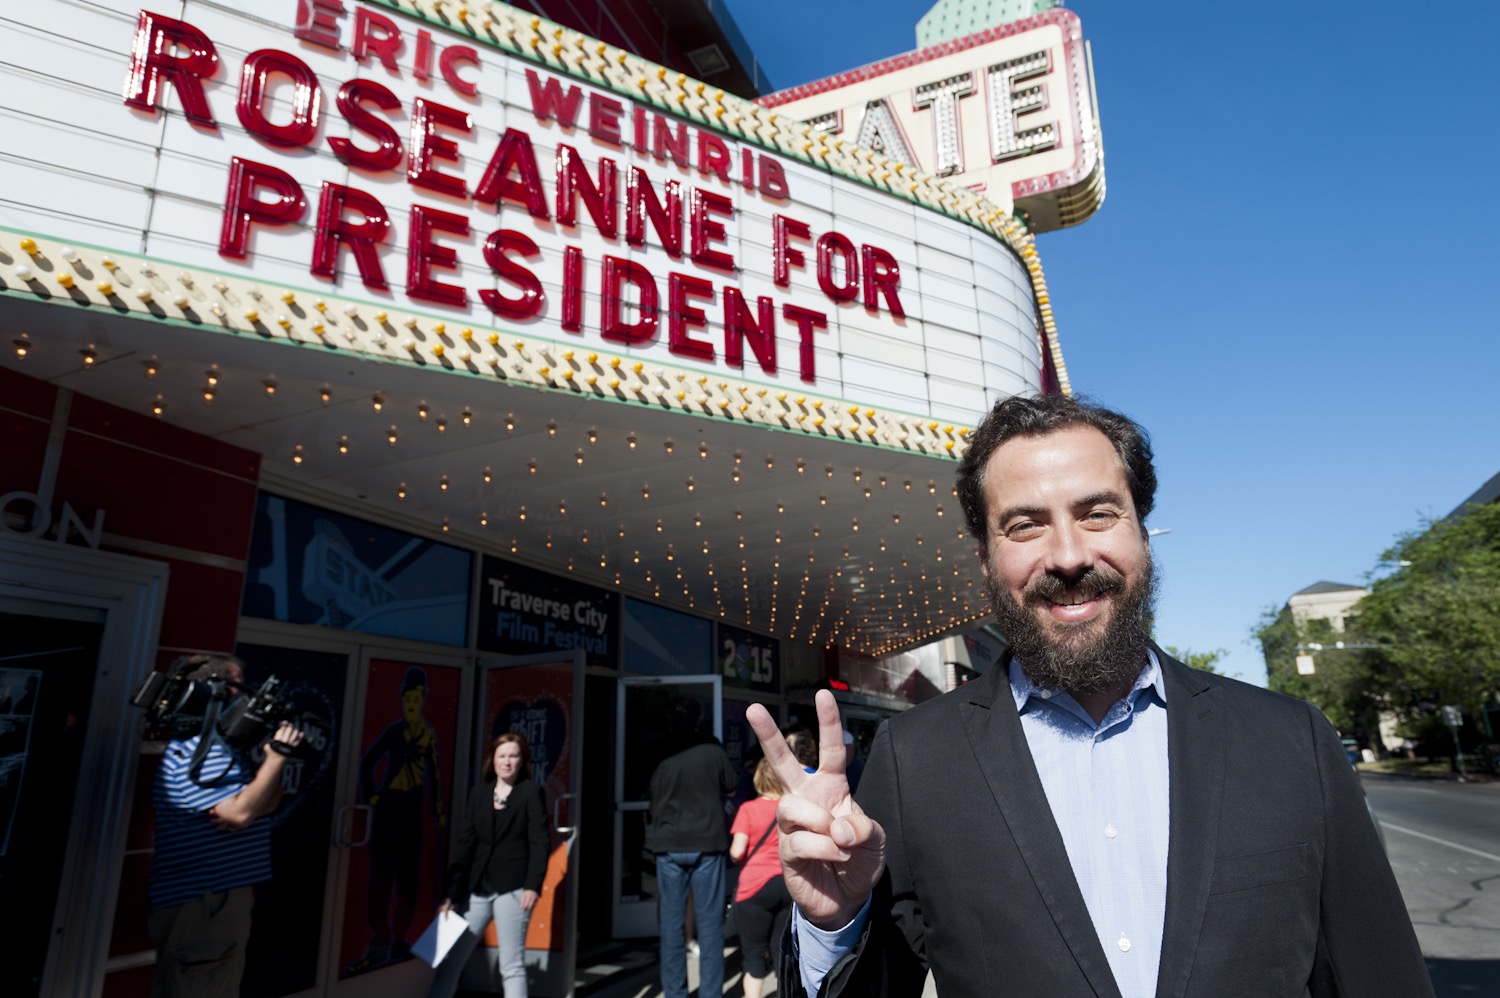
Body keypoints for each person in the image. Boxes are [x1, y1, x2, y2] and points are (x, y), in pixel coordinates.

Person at [746, 392, 1434, 998]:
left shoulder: (1291, 741)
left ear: (1142, 530)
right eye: (1026, 525)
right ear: (986, 559)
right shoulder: (913, 757)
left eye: (1098, 513)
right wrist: (835, 924)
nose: (1069, 555)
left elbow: (1378, 975)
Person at [146, 655, 305, 998]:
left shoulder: (219, 750)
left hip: (208, 900)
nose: (246, 700)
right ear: (212, 693)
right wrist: (277, 757)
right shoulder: (201, 753)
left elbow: (265, 804)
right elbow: (239, 815)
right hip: (205, 902)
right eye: (237, 689)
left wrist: (265, 764)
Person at [431, 731, 550, 998]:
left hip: (514, 887)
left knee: (511, 964)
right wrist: (451, 893)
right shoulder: (479, 794)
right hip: (477, 888)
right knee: (450, 961)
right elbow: (466, 844)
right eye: (502, 756)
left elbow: (540, 842)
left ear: (522, 761)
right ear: (493, 760)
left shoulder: (530, 792)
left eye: (513, 756)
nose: (507, 762)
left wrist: (533, 885)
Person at [346, 666, 447, 975]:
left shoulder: (428, 734)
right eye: (407, 698)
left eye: (416, 698)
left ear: (423, 699)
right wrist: (372, 796)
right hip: (388, 806)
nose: (411, 704)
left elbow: (434, 775)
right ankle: (378, 943)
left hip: (412, 810)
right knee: (380, 877)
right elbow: (368, 762)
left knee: (408, 878)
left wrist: (438, 811)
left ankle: (402, 940)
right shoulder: (394, 731)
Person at [647, 697, 738, 998]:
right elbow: (731, 785)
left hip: (669, 844)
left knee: (671, 927)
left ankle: (675, 993)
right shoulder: (712, 748)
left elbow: (647, 789)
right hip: (707, 843)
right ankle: (710, 994)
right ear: (700, 720)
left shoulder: (660, 748)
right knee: (710, 926)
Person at [729, 757, 792, 998]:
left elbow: (736, 851)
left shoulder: (748, 809)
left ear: (758, 779)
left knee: (754, 955)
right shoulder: (789, 809)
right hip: (787, 885)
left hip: (754, 889)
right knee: (782, 952)